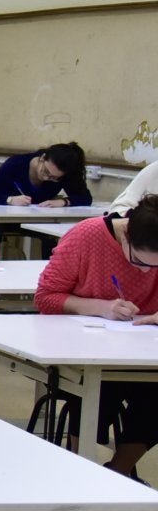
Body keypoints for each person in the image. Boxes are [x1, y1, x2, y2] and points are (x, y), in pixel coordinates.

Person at [34, 198, 158, 480]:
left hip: (145, 353)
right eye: (139, 261)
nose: (146, 272)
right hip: (85, 352)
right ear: (125, 234)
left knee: (154, 391)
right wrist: (101, 307)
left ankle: (119, 472)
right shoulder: (87, 236)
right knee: (101, 385)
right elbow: (46, 297)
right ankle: (82, 471)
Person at [0, 142, 90, 208]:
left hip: (42, 219)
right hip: (7, 219)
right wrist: (10, 200)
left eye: (54, 178)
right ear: (43, 158)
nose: (46, 178)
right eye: (45, 171)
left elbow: (85, 198)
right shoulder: (16, 164)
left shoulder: (66, 171)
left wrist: (63, 202)